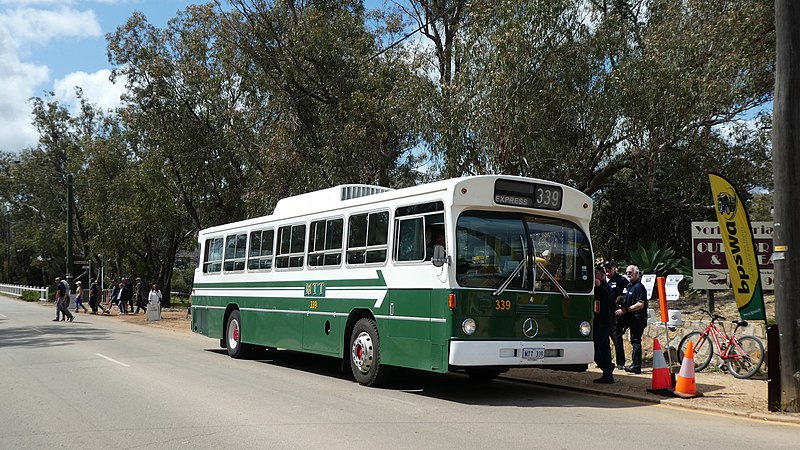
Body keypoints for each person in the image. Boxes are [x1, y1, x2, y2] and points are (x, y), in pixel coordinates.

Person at [615, 265, 648, 374]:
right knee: (631, 339)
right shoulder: (630, 286)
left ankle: (636, 366)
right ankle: (633, 364)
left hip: (638, 317)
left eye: (631, 272)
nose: (628, 274)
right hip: (631, 317)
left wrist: (626, 310)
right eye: (627, 272)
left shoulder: (639, 287)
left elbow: (640, 304)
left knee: (636, 341)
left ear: (637, 274)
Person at [604, 260, 629, 369]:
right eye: (606, 268)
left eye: (609, 268)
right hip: (604, 315)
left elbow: (628, 292)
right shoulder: (602, 280)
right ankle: (605, 361)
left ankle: (620, 363)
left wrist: (622, 304)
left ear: (614, 268)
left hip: (615, 315)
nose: (607, 270)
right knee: (603, 339)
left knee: (617, 340)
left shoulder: (621, 280)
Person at [592, 266, 614, 384]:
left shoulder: (605, 287)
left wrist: (599, 285)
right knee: (602, 347)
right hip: (598, 322)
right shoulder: (597, 287)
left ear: (601, 275)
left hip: (603, 322)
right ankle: (607, 371)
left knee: (599, 347)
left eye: (596, 274)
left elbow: (606, 297)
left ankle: (607, 370)